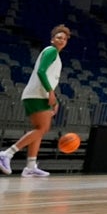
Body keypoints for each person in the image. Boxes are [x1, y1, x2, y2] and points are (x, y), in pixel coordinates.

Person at [0, 24, 70, 177]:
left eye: (64, 38)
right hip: (37, 94)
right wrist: (51, 93)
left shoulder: (55, 56)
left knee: (40, 129)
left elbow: (48, 77)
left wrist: (54, 99)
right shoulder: (51, 51)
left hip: (39, 94)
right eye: (59, 37)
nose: (61, 40)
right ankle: (6, 154)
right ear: (52, 39)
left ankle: (31, 165)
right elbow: (41, 71)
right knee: (42, 128)